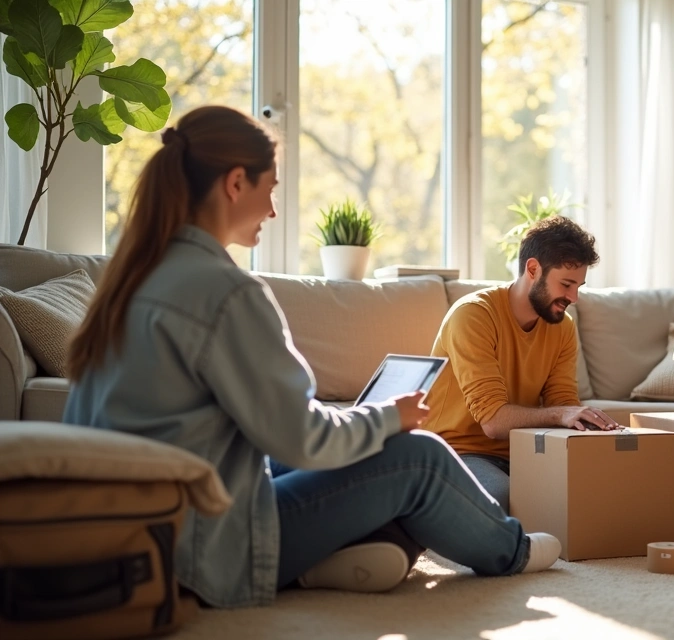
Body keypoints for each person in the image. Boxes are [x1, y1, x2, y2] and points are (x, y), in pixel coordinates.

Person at [61, 105, 560, 610]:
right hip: (206, 551)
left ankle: (325, 561)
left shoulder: (132, 279)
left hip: (135, 533)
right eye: (271, 188)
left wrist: (368, 424)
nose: (273, 210)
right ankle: (511, 550)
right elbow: (304, 439)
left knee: (307, 454)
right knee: (419, 454)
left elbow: (265, 437)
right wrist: (389, 418)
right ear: (236, 183)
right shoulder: (225, 291)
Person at [422, 216, 620, 510]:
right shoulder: (473, 315)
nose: (574, 297)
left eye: (578, 286)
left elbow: (563, 402)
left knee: (605, 489)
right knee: (504, 498)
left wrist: (589, 425)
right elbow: (493, 421)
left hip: (525, 450)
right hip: (457, 452)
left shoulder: (563, 327)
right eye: (566, 284)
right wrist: (561, 414)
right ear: (533, 269)